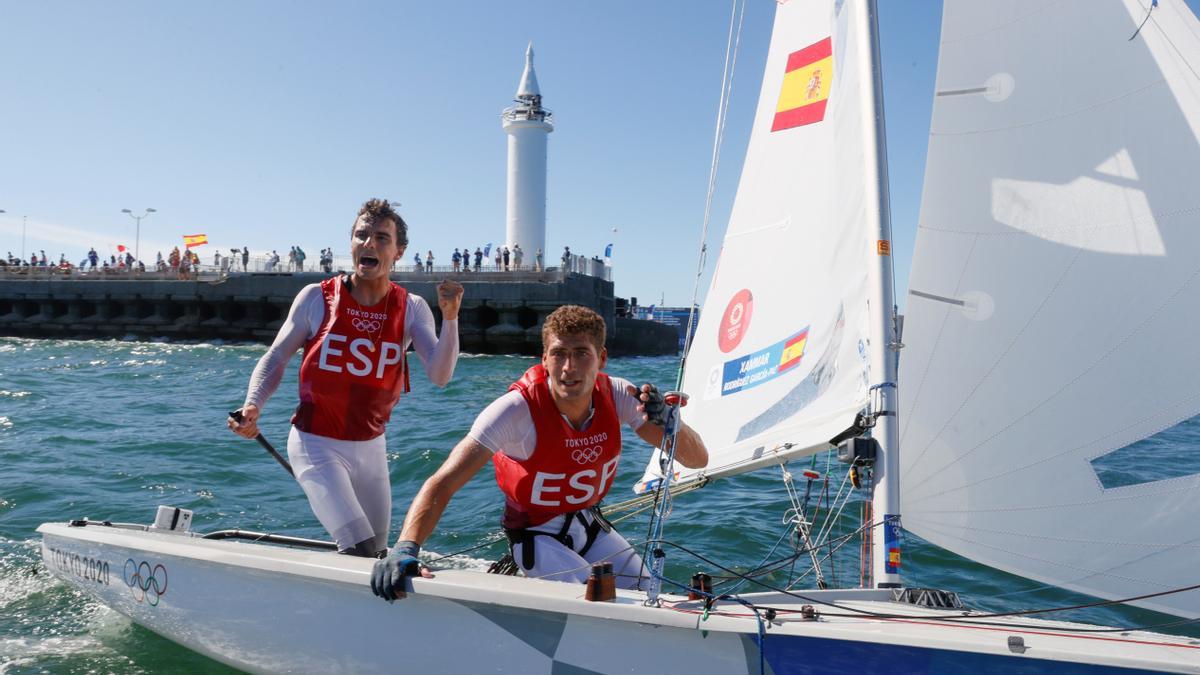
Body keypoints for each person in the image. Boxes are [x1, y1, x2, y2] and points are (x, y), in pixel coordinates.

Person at [371, 305, 708, 601]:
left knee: (647, 594)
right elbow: (443, 482)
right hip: (536, 538)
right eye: (559, 354)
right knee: (590, 600)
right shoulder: (515, 411)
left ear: (601, 358)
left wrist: (670, 421)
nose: (568, 368)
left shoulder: (619, 395)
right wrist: (406, 547)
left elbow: (697, 460)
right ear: (544, 359)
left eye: (581, 353)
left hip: (589, 524)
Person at [229, 198, 464, 557]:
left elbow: (440, 375)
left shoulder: (412, 307)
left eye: (382, 238)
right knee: (360, 550)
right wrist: (252, 405)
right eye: (361, 235)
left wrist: (450, 317)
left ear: (399, 251)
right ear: (351, 243)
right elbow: (276, 356)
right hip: (315, 444)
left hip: (371, 447)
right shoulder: (317, 298)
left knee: (379, 555)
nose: (369, 243)